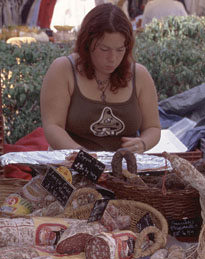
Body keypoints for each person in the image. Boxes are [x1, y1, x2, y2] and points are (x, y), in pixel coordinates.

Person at [40, 3, 161, 153]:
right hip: (72, 165)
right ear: (87, 44)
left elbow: (153, 128)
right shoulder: (63, 70)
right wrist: (81, 155)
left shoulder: (140, 75)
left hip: (123, 169)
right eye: (104, 49)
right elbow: (53, 126)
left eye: (120, 50)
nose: (112, 58)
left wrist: (142, 143)